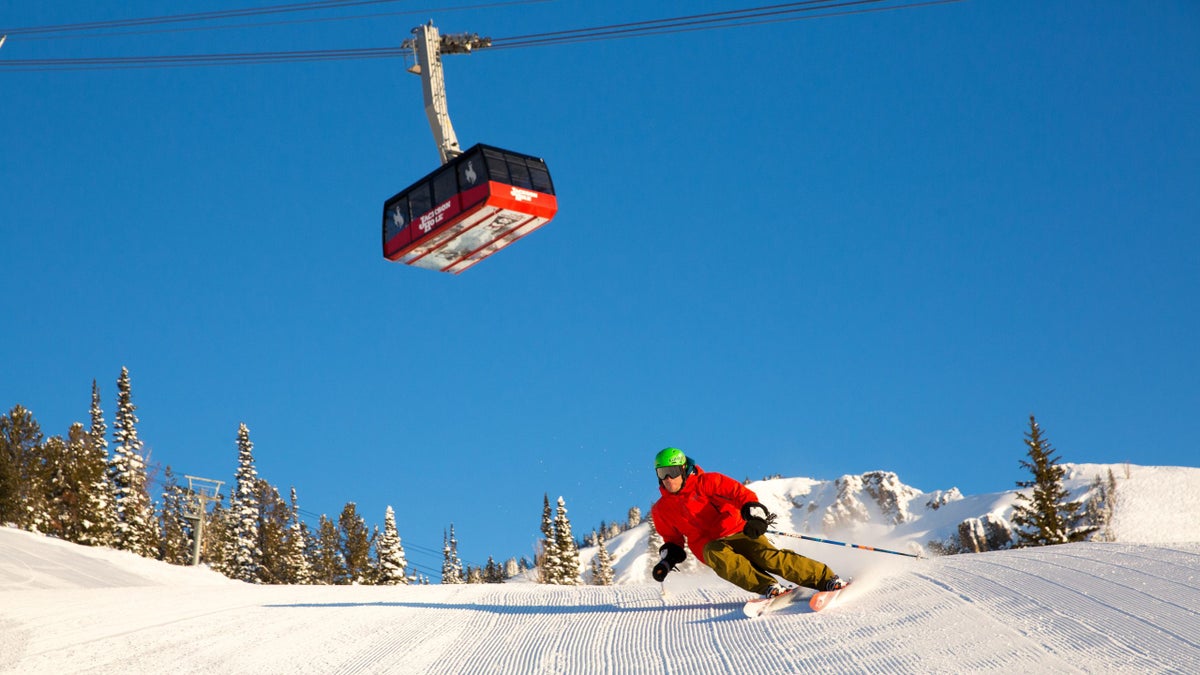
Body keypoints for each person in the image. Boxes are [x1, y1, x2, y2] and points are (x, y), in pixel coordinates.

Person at [650, 446, 847, 598]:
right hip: (710, 546)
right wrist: (666, 562)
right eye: (661, 473)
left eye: (672, 471)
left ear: (683, 469)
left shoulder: (708, 482)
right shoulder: (661, 509)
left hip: (738, 530)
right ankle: (768, 587)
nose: (668, 478)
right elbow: (673, 539)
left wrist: (755, 517)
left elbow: (741, 495)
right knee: (722, 558)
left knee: (768, 558)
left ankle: (827, 579)